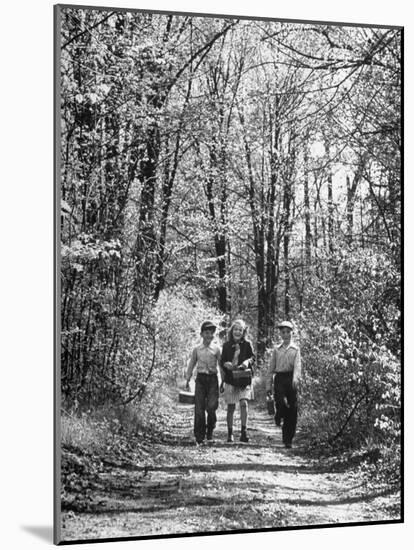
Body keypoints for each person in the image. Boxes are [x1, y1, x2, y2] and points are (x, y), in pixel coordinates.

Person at [267, 321, 302, 449]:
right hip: (280, 378)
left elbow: (298, 366)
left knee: (292, 409)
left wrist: (296, 379)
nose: (286, 335)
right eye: (283, 332)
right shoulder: (277, 350)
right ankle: (278, 414)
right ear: (280, 334)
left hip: (291, 378)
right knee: (280, 402)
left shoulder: (296, 350)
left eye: (288, 332)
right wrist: (268, 386)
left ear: (292, 333)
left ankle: (288, 439)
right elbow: (271, 369)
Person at [186, 321, 221, 445]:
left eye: (211, 333)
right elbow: (192, 364)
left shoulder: (217, 349)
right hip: (200, 379)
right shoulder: (197, 349)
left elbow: (221, 366)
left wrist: (223, 382)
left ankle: (210, 429)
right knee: (199, 408)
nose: (209, 335)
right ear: (201, 334)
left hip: (212, 379)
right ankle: (199, 436)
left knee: (212, 406)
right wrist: (188, 378)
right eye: (206, 332)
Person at [220, 319, 255, 443]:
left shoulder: (247, 344)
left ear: (243, 331)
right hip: (231, 379)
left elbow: (252, 358)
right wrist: (226, 364)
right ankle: (230, 433)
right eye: (236, 329)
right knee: (231, 407)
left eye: (240, 330)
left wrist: (247, 362)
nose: (238, 332)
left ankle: (243, 432)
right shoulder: (226, 345)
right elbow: (222, 361)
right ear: (232, 331)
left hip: (244, 379)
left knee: (244, 404)